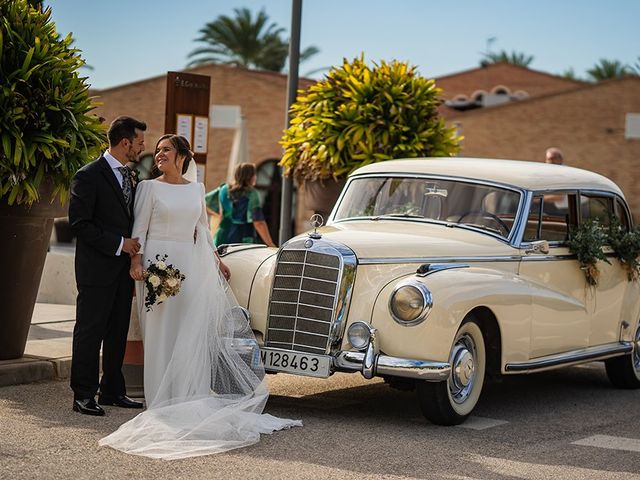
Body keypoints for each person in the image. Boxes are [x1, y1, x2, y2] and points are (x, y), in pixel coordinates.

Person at [99, 135, 301, 459]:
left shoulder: (196, 189)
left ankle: (187, 399)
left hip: (191, 261)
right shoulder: (150, 188)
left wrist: (216, 260)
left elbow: (203, 230)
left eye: (166, 150)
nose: (160, 154)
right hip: (159, 263)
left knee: (187, 331)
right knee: (162, 332)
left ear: (181, 156)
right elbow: (139, 228)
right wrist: (136, 261)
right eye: (159, 150)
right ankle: (161, 403)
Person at [68, 116, 147, 416]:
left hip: (122, 272)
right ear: (126, 142)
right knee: (90, 332)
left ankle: (113, 389)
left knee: (117, 332)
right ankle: (84, 394)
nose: (143, 147)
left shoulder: (131, 175)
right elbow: (80, 224)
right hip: (96, 270)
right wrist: (120, 244)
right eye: (140, 142)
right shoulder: (88, 175)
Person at [213, 163, 276, 247]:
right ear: (250, 176)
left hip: (221, 237)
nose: (255, 177)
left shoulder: (223, 189)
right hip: (242, 240)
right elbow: (258, 222)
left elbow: (217, 211)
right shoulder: (252, 193)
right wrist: (270, 244)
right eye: (254, 174)